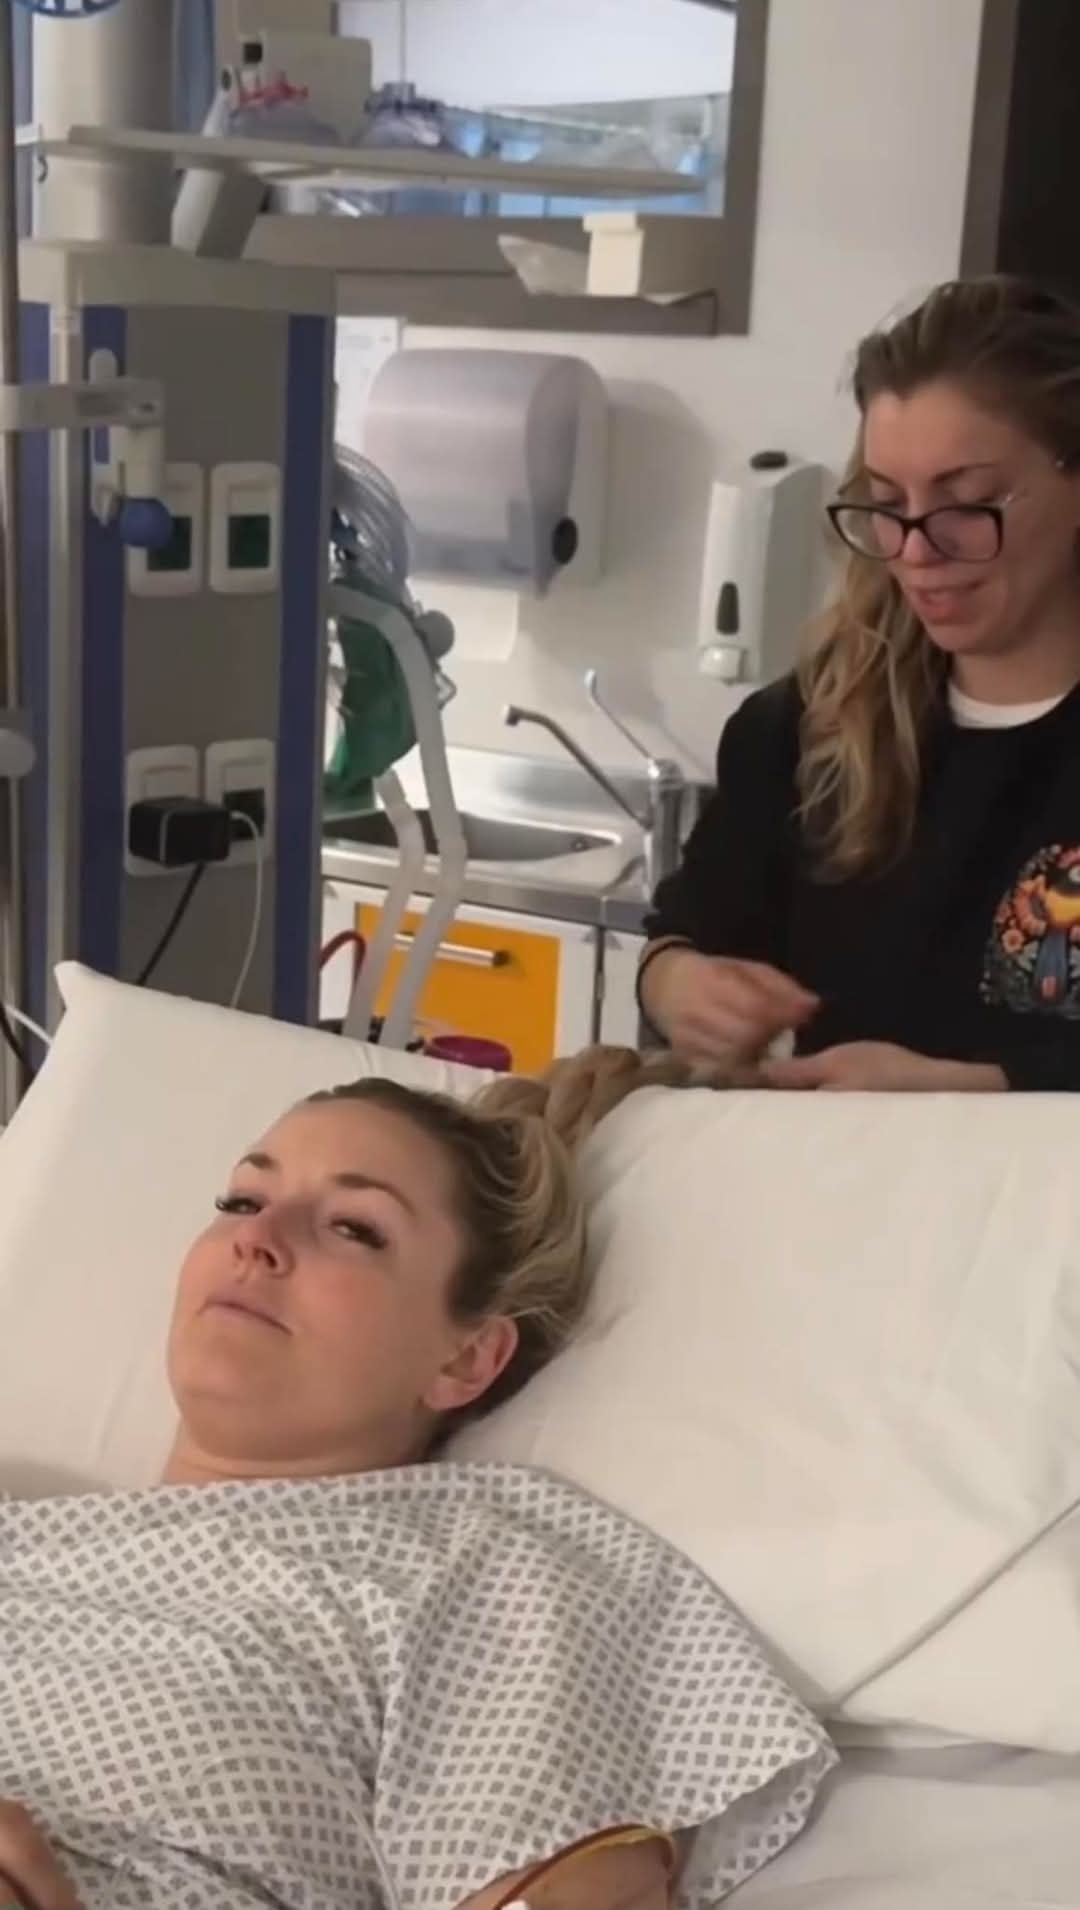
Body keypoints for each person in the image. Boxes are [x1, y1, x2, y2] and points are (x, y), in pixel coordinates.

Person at [0, 1047, 830, 1910]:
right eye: (243, 1199)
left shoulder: (479, 1570)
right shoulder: (26, 1529)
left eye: (354, 1229)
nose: (256, 1238)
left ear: (466, 1358)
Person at [641, 275, 1080, 1092]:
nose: (916, 551)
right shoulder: (806, 730)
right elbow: (683, 936)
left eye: (968, 503)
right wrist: (678, 986)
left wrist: (970, 1090)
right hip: (825, 1173)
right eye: (887, 504)